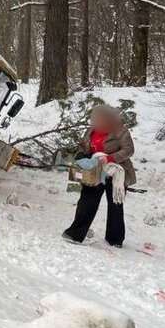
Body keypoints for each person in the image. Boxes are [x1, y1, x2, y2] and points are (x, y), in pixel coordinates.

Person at [62, 104, 136, 248]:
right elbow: (83, 146)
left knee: (115, 206)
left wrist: (111, 158)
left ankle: (115, 240)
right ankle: (75, 234)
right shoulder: (91, 131)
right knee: (86, 202)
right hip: (95, 172)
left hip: (116, 173)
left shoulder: (121, 131)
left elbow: (129, 150)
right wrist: (81, 155)